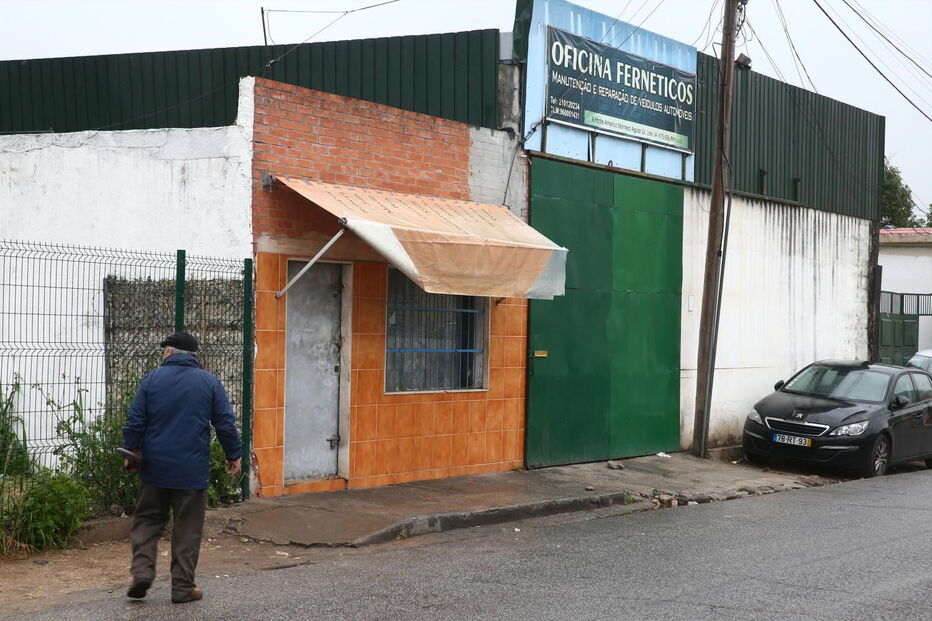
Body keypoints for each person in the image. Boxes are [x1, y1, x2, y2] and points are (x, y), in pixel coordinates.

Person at [121, 330, 242, 604]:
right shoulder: (209, 382)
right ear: (193, 357)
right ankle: (183, 588)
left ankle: (142, 573)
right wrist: (233, 454)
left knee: (147, 521)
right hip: (191, 471)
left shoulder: (152, 379)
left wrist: (131, 451)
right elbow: (224, 423)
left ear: (169, 353)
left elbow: (135, 420)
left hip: (154, 469)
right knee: (187, 528)